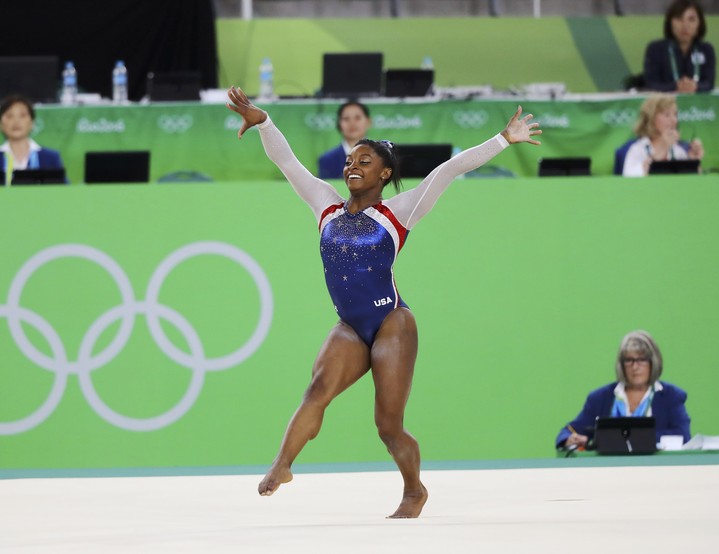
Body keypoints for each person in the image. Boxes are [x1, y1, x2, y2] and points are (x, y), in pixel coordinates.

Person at [226, 86, 541, 518]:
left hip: (392, 321)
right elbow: (287, 162)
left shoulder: (399, 212)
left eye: (364, 162)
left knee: (388, 427)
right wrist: (265, 122)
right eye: (350, 160)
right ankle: (283, 465)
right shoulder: (326, 207)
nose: (352, 166)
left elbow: (447, 171)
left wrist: (503, 139)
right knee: (316, 389)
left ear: (384, 173)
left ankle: (414, 491)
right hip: (351, 326)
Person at [555, 330, 691, 451]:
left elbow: (682, 436)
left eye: (642, 360)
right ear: (621, 365)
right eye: (629, 360)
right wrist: (569, 439)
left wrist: (632, 437)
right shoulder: (601, 397)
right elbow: (569, 431)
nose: (635, 367)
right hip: (608, 472)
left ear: (653, 362)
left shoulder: (671, 396)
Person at [0, 95, 65, 184]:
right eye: (9, 116)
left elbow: (64, 191)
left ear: (32, 123)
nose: (16, 121)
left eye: (22, 115)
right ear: (0, 124)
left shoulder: (50, 158)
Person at [621, 94, 704, 177]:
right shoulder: (638, 150)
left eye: (675, 114)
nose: (674, 120)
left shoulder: (678, 151)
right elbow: (629, 183)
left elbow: (693, 184)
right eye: (667, 115)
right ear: (651, 118)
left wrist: (693, 162)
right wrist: (662, 147)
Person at [643, 0, 716, 93]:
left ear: (700, 24)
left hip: (698, 106)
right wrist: (676, 86)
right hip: (666, 105)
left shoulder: (706, 50)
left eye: (691, 19)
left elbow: (709, 83)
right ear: (670, 23)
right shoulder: (655, 49)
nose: (685, 25)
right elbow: (651, 84)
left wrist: (695, 86)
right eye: (679, 19)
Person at [318, 101, 371, 179]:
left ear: (368, 122)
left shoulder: (382, 156)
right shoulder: (327, 160)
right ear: (339, 124)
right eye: (346, 119)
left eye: (357, 118)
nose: (352, 123)